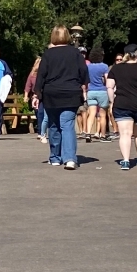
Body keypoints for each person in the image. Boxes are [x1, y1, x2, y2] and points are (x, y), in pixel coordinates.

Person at [33, 26, 89, 169]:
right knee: (67, 124)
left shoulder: (48, 54)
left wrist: (37, 94)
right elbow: (83, 72)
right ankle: (69, 158)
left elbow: (41, 75)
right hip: (71, 92)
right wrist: (83, 87)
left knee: (53, 125)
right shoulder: (75, 53)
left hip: (51, 93)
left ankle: (55, 157)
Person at [83, 44, 111, 142]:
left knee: (91, 114)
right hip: (102, 91)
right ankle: (103, 135)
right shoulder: (104, 66)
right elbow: (107, 80)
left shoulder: (88, 67)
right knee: (102, 115)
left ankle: (88, 133)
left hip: (91, 91)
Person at [24, 54, 48, 144]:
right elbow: (28, 86)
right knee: (39, 113)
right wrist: (26, 96)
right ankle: (40, 131)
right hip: (35, 96)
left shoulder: (46, 73)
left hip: (45, 95)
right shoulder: (32, 75)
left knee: (45, 114)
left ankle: (43, 132)